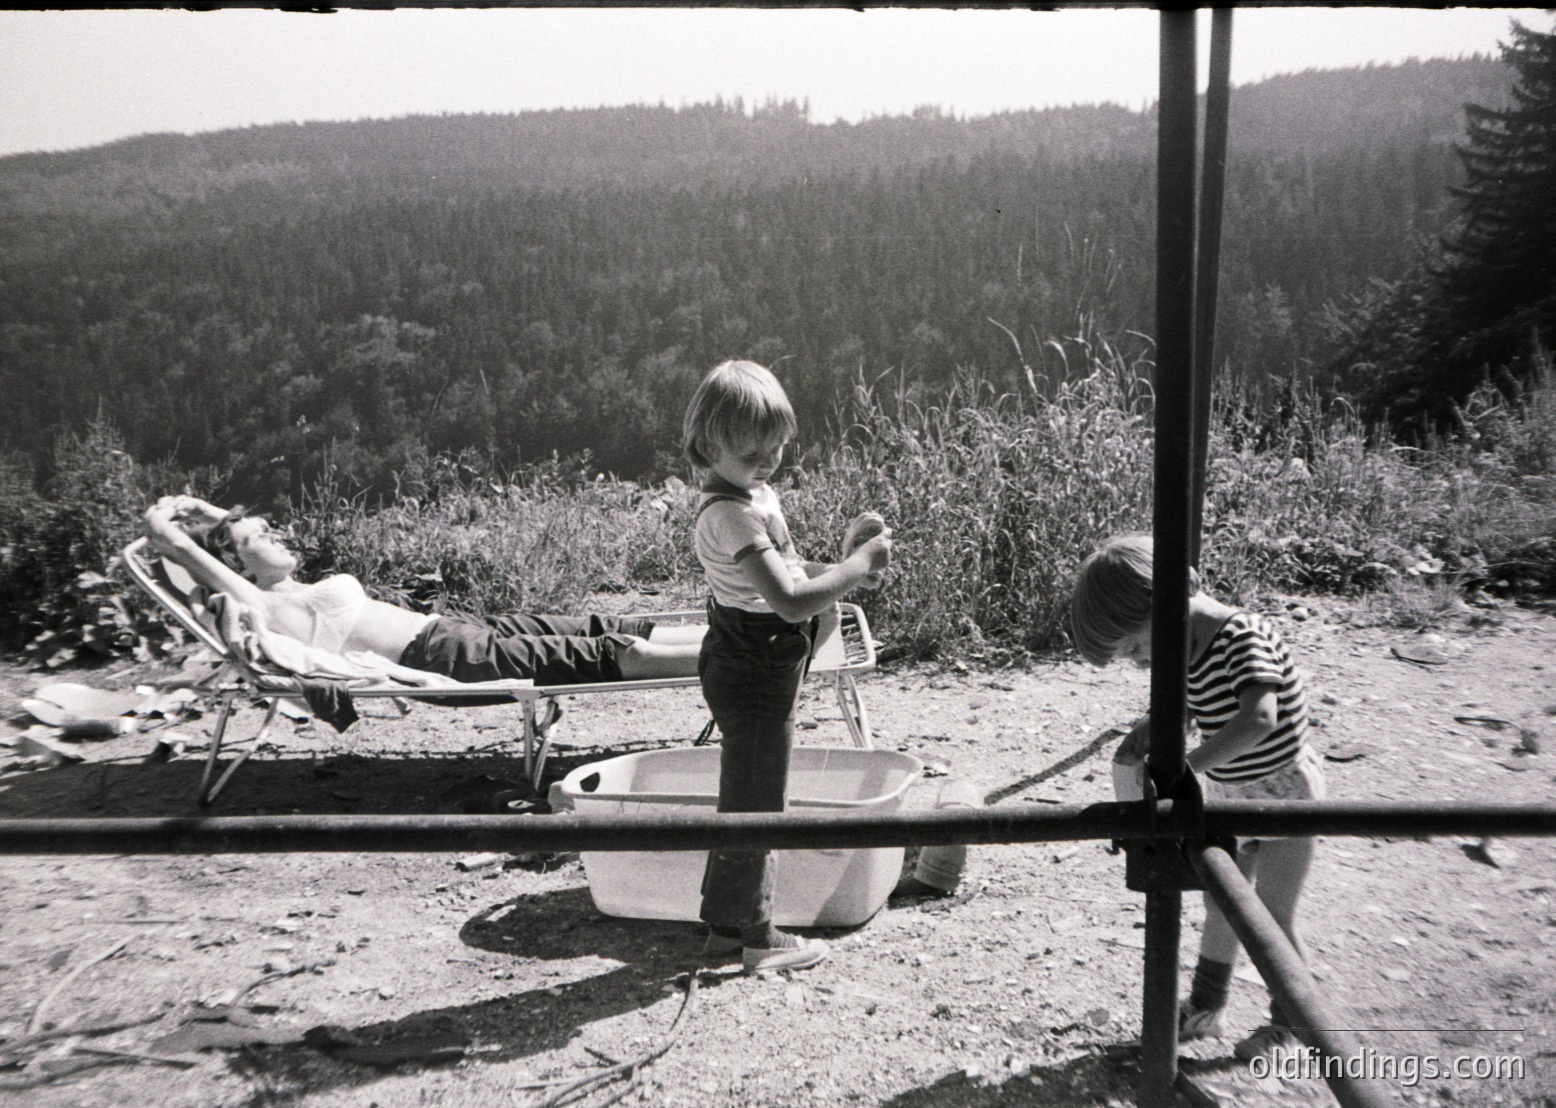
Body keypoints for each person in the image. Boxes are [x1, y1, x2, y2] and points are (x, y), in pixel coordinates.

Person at [1069, 533, 1326, 1064]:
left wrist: (1187, 767)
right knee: (1221, 903)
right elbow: (1197, 700)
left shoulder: (1240, 635)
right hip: (1233, 793)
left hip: (1284, 796)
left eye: (1137, 648)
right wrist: (1157, 721)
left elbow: (1259, 716)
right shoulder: (1185, 644)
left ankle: (1292, 1024)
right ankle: (1206, 1009)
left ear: (1166, 607)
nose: (1142, 663)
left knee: (1272, 919)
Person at [682, 360, 894, 974]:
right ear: (709, 445)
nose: (769, 461)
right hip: (753, 661)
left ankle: (725, 924)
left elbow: (794, 576)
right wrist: (864, 566)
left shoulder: (751, 493)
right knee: (757, 801)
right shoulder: (729, 515)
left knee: (748, 790)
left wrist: (845, 555)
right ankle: (756, 936)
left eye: (777, 447)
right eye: (754, 452)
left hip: (763, 655)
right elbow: (791, 600)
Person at [142, 495, 705, 689]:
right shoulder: (266, 605)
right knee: (611, 656)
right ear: (235, 563)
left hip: (458, 627)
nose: (275, 532)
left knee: (602, 628)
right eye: (258, 536)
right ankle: (760, 653)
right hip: (448, 656)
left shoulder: (288, 586)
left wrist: (214, 514)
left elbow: (227, 541)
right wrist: (168, 527)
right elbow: (185, 550)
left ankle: (748, 628)